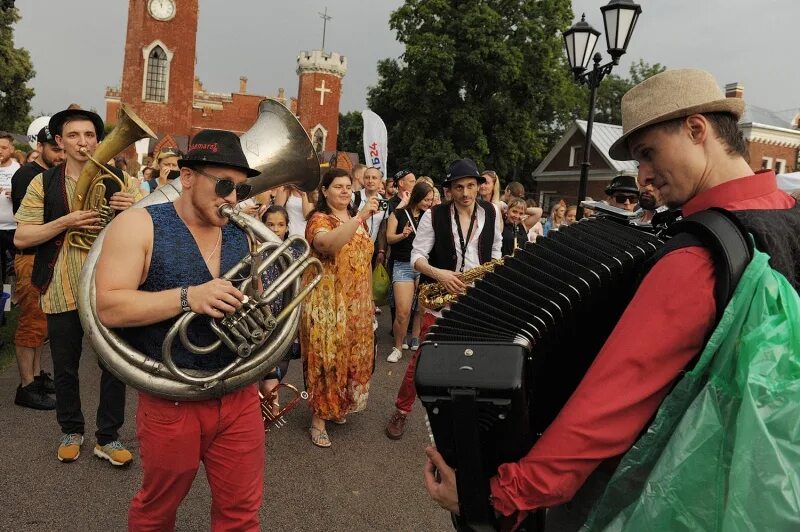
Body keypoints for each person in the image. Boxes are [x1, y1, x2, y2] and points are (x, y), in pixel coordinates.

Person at [424, 68, 800, 529]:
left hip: (666, 495)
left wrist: (496, 497)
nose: (642, 178)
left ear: (696, 129)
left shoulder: (695, 259)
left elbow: (606, 410)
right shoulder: (789, 218)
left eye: (648, 154)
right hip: (763, 486)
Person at [95, 129, 265, 530]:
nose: (232, 199)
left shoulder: (240, 233)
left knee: (241, 515)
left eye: (241, 189)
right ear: (187, 177)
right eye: (224, 185)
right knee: (156, 513)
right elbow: (109, 306)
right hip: (170, 397)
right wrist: (188, 297)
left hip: (238, 393)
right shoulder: (138, 224)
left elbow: (253, 300)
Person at [14, 108, 140, 465]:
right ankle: (71, 430)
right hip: (61, 283)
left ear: (98, 141)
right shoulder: (43, 183)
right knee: (66, 366)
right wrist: (65, 222)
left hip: (109, 285)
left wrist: (132, 209)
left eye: (89, 135)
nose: (83, 142)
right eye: (74, 136)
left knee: (113, 366)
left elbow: (149, 229)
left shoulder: (121, 180)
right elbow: (22, 236)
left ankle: (108, 437)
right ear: (59, 142)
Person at [386, 158, 502, 440]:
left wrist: (491, 272)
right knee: (422, 361)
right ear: (449, 189)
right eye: (459, 187)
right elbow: (416, 256)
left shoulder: (492, 212)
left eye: (471, 186)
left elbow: (496, 247)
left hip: (476, 298)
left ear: (479, 186)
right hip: (441, 296)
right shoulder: (434, 215)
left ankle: (460, 417)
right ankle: (401, 411)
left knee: (470, 362)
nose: (465, 193)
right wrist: (440, 275)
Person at [301, 168, 378, 448]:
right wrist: (360, 218)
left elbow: (365, 260)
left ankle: (336, 405)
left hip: (355, 302)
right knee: (326, 358)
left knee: (349, 356)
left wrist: (368, 301)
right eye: (338, 186)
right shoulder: (319, 219)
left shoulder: (359, 222)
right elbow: (327, 245)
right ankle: (318, 420)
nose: (345, 191)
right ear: (324, 191)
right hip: (327, 302)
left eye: (348, 186)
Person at [10, 126, 65, 410]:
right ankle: (25, 386)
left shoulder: (48, 175)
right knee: (30, 322)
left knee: (40, 324)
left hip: (44, 256)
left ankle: (36, 376)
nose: (60, 155)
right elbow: (36, 222)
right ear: (41, 147)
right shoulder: (28, 176)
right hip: (31, 256)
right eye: (55, 149)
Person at [259, 204, 302, 414]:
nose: (275, 229)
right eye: (270, 224)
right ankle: (268, 400)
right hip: (262, 314)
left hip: (285, 312)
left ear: (287, 227)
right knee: (262, 359)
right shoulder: (256, 249)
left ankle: (269, 395)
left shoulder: (295, 250)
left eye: (280, 225)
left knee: (281, 358)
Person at [385, 181, 434, 362]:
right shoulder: (397, 214)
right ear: (417, 197)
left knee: (422, 309)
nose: (429, 203)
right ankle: (398, 346)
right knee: (403, 312)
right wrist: (402, 235)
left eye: (431, 200)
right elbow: (389, 238)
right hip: (403, 265)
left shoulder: (429, 216)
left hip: (423, 266)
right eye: (426, 199)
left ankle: (416, 339)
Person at [0, 132, 21, 284]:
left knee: (18, 266)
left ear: (11, 149)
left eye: (4, 147)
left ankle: (16, 297)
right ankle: (3, 302)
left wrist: (15, 194)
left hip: (15, 226)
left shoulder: (19, 169)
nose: (0, 151)